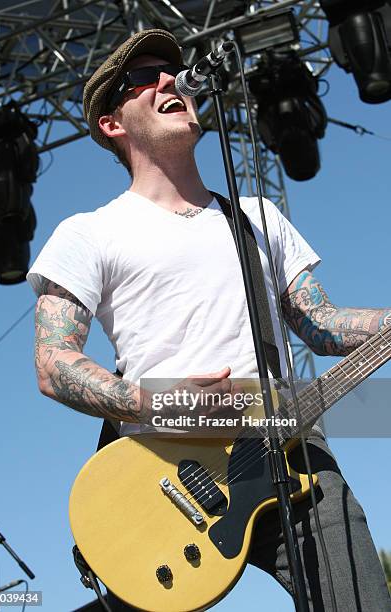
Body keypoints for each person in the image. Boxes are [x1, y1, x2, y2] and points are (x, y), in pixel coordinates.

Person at [27, 29, 391, 612]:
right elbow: (53, 363)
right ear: (111, 123)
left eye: (170, 72)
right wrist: (157, 404)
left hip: (290, 451)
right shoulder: (88, 233)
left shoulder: (256, 217)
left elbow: (319, 325)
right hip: (162, 473)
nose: (169, 81)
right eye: (143, 78)